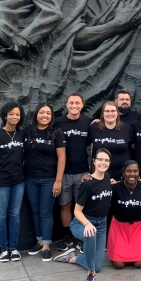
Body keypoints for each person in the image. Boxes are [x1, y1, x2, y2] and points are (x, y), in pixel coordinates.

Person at [54, 149, 113, 281]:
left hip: (102, 224)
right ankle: (90, 276)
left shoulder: (107, 178)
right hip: (82, 223)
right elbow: (77, 211)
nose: (103, 163)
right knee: (90, 234)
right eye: (100, 159)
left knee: (98, 266)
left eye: (106, 160)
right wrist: (87, 224)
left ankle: (72, 258)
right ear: (94, 161)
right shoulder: (87, 184)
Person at [24, 103, 66, 262]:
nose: (45, 116)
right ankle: (39, 241)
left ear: (51, 116)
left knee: (46, 212)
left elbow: (62, 158)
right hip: (30, 178)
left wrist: (58, 180)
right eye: (42, 112)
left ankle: (47, 245)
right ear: (36, 114)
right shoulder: (28, 131)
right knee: (35, 211)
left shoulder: (57, 133)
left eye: (48, 113)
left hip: (49, 179)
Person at [0, 100, 26, 262]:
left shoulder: (22, 134)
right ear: (5, 115)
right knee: (0, 216)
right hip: (1, 183)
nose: (14, 117)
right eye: (11, 114)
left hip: (19, 181)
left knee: (15, 215)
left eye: (17, 114)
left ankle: (14, 248)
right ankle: (4, 249)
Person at [54, 93, 91, 251]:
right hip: (64, 173)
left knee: (82, 206)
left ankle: (82, 237)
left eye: (77, 103)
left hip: (83, 171)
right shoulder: (58, 122)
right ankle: (67, 236)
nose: (74, 105)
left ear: (82, 105)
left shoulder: (88, 122)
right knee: (65, 205)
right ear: (66, 105)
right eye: (71, 103)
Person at [106, 160, 141, 269]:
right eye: (128, 171)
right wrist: (88, 177)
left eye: (135, 171)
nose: (132, 174)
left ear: (139, 172)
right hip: (119, 228)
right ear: (123, 172)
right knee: (118, 265)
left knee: (139, 264)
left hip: (139, 228)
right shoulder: (115, 188)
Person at [88, 101, 134, 181]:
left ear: (117, 113)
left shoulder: (126, 128)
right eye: (107, 111)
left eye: (113, 111)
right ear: (103, 113)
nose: (110, 113)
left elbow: (133, 147)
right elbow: (91, 146)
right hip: (100, 174)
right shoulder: (94, 128)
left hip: (122, 175)